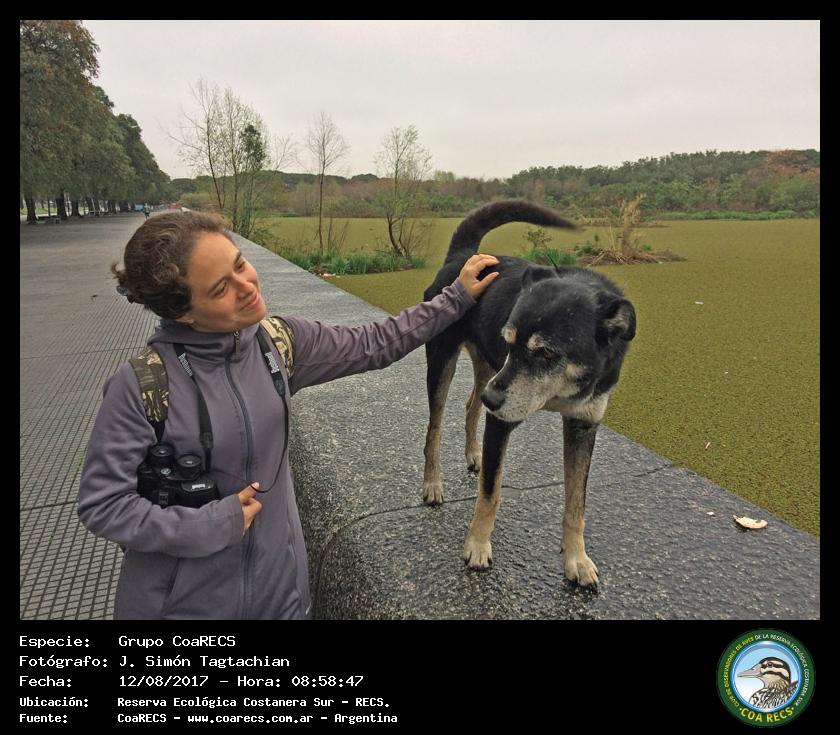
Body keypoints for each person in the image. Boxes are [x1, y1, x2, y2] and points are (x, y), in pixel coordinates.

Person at [77, 211, 499, 620]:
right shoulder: (143, 385)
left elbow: (375, 342)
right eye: (221, 288)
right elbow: (103, 504)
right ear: (182, 313)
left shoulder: (277, 344)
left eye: (240, 264)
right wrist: (209, 524)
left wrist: (455, 298)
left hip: (283, 598)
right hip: (181, 609)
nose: (246, 286)